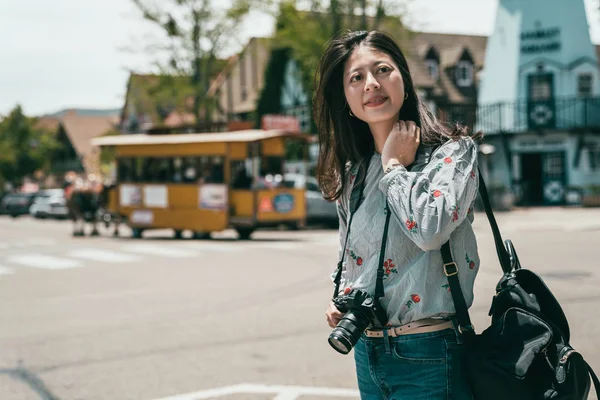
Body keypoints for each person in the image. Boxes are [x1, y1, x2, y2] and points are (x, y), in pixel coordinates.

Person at [314, 30, 482, 399]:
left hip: (431, 353)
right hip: (367, 352)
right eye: (356, 78)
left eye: (382, 70)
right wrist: (341, 296)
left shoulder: (452, 155)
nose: (371, 84)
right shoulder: (355, 171)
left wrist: (394, 167)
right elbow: (352, 252)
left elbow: (429, 230)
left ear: (404, 79)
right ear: (346, 99)